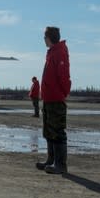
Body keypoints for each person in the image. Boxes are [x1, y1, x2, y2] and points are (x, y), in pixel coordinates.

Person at [36, 26, 71, 174]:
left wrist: (61, 93)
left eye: (44, 37)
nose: (43, 40)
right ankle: (51, 160)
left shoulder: (59, 52)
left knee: (57, 131)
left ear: (49, 38)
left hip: (56, 99)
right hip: (49, 99)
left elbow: (64, 76)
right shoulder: (51, 53)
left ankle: (60, 165)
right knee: (49, 131)